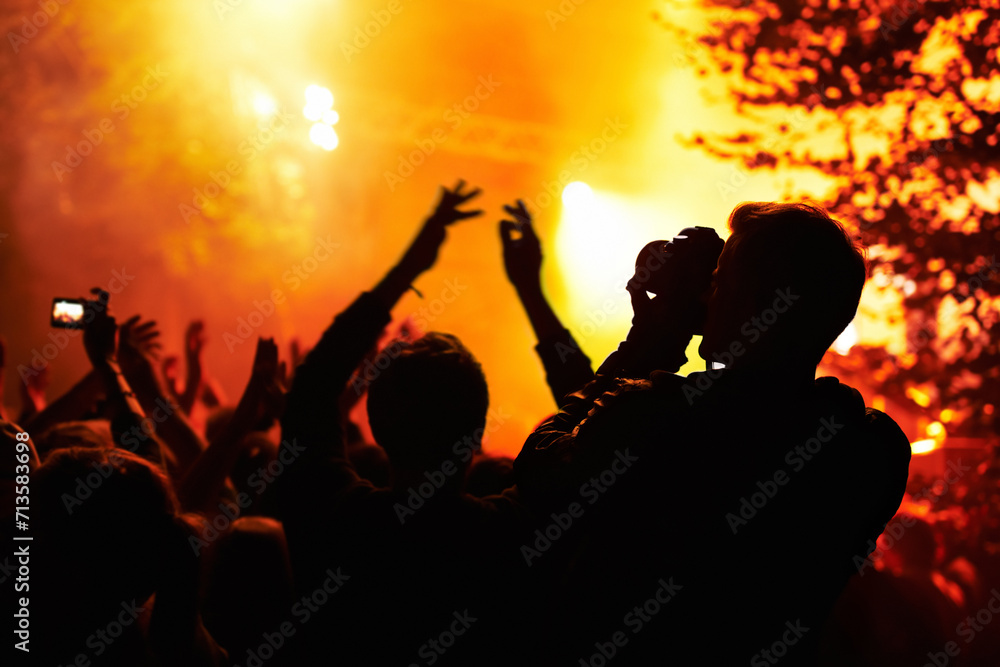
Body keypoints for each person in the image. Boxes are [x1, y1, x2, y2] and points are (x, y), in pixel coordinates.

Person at [514, 202, 912, 665]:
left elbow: (539, 472)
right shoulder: (871, 451)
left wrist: (644, 347)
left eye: (719, 281)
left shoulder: (652, 418)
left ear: (750, 304)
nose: (706, 297)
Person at [276, 181, 533, 665]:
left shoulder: (334, 517)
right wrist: (531, 292)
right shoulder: (515, 532)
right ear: (477, 436)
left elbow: (313, 386)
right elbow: (594, 427)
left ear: (375, 426)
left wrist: (410, 266)